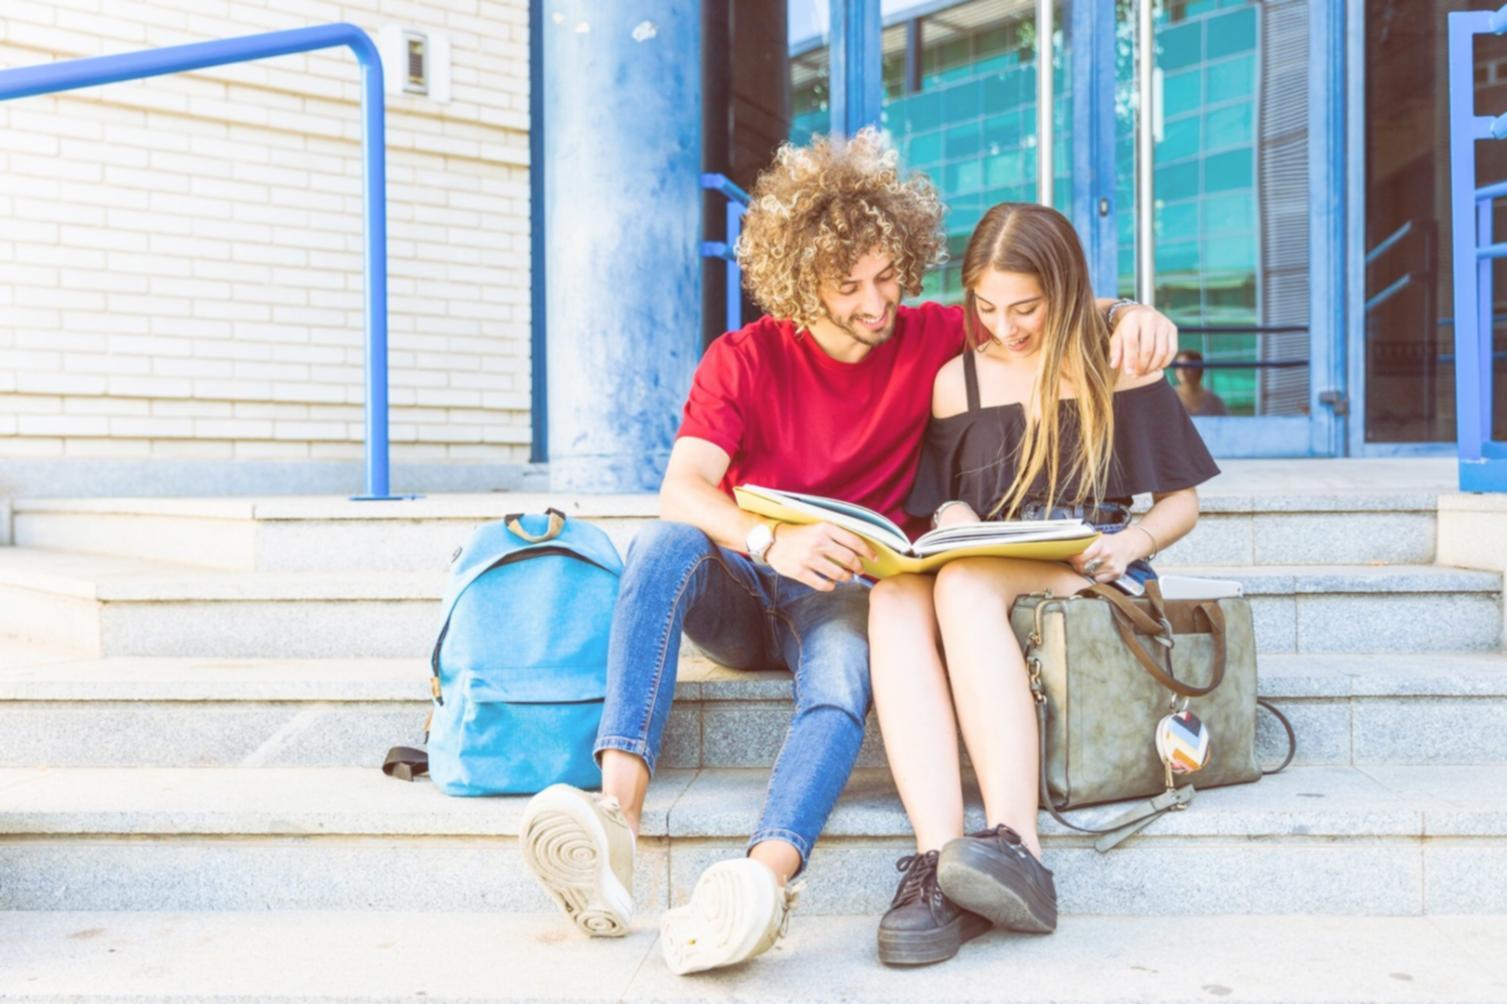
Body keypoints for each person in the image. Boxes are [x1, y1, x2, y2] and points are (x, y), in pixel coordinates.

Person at [516, 130, 1179, 976]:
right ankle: (617, 815)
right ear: (799, 284)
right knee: (663, 543)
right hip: (746, 578)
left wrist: (1131, 313)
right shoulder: (742, 358)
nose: (876, 304)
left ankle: (764, 880)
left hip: (843, 592)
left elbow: (1034, 311)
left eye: (887, 276)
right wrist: (769, 539)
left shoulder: (934, 336)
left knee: (838, 683)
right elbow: (683, 488)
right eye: (849, 286)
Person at [868, 202, 1219, 967]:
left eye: (1024, 307)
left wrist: (1130, 540)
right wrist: (955, 510)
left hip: (1092, 575)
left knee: (961, 585)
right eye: (986, 307)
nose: (1005, 326)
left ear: (1064, 289)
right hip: (993, 565)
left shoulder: (1115, 360)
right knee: (895, 597)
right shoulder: (955, 381)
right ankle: (937, 863)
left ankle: (1016, 846)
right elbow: (942, 501)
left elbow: (1180, 502)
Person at [1172, 349, 1229, 415]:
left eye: (1187, 366)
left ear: (1199, 369)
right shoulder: (1170, 398)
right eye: (1178, 366)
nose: (1182, 371)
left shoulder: (1214, 401)